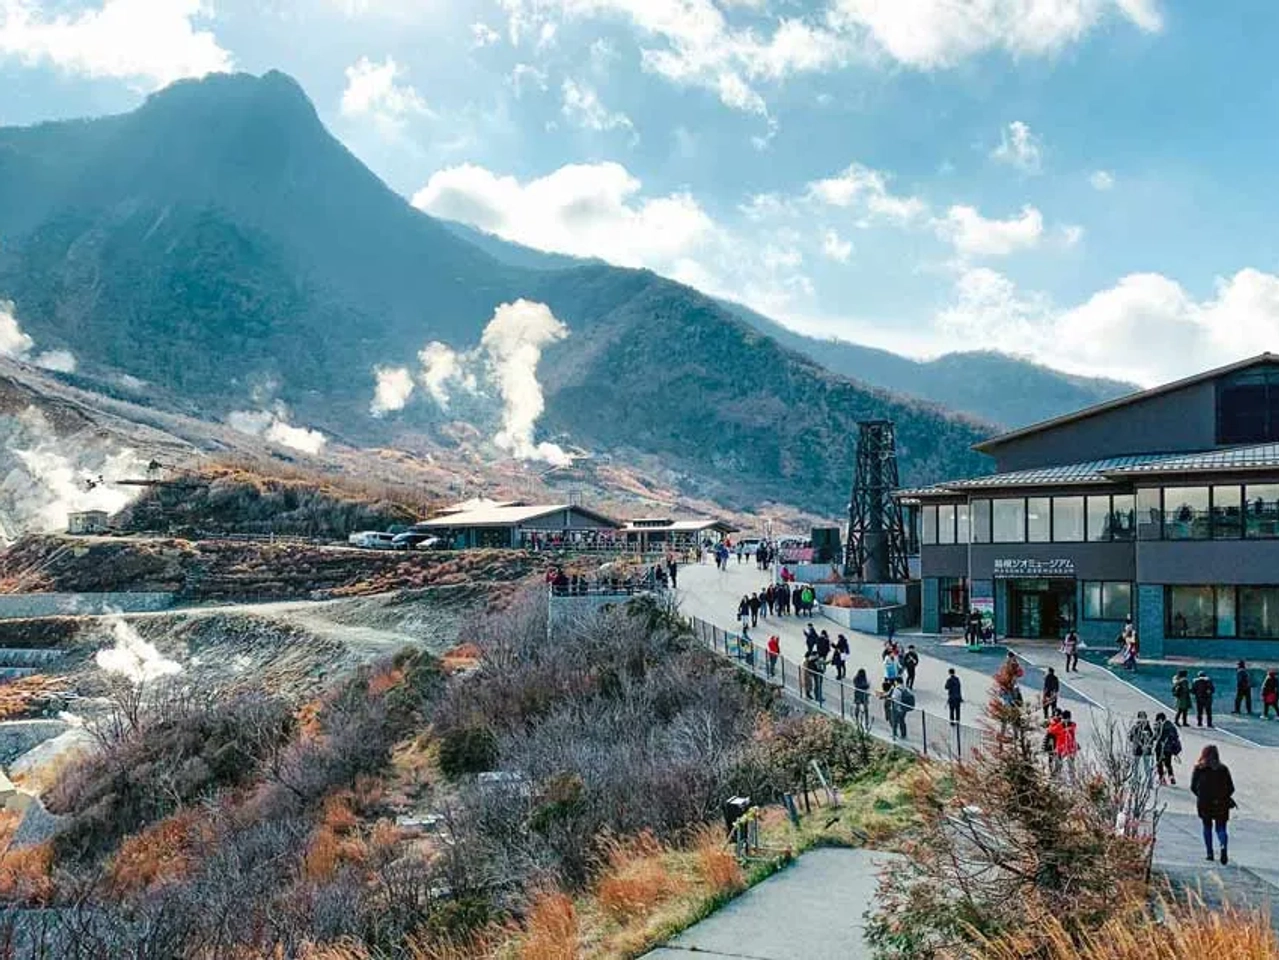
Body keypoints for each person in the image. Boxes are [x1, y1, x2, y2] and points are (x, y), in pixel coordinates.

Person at [1190, 745, 1236, 864]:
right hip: (1221, 802)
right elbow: (1231, 787)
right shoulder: (1223, 769)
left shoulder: (1199, 769)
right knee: (1221, 828)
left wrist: (1201, 796)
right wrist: (1223, 797)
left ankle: (1209, 853)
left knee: (1207, 827)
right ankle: (1223, 845)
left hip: (1204, 802)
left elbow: (1193, 787)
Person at [1153, 712, 1181, 786]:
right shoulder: (1171, 726)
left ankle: (1162, 778)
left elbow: (1156, 737)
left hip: (1160, 748)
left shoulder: (1160, 726)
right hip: (1169, 748)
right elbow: (1176, 736)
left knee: (1159, 763)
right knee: (1168, 763)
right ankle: (1171, 776)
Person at [1129, 711, 1155, 781]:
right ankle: (1135, 779)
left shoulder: (1148, 728)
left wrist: (1148, 744)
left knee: (1146, 766)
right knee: (1136, 765)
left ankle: (1149, 781)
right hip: (1138, 749)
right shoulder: (1135, 727)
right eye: (1141, 717)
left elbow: (1152, 738)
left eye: (1143, 717)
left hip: (1146, 749)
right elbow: (1131, 738)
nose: (1142, 719)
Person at [1055, 709, 1079, 776]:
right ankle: (1058, 776)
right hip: (1064, 748)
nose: (1065, 720)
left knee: (1070, 765)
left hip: (1067, 747)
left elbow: (1052, 730)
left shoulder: (1063, 725)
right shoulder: (1068, 725)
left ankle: (1072, 779)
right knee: (1060, 764)